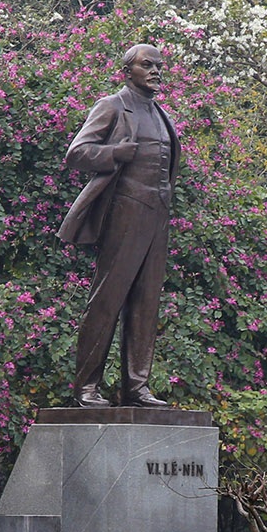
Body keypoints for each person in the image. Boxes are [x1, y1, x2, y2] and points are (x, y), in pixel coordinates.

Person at [59, 43, 181, 409]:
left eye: (159, 66)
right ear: (128, 70)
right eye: (148, 65)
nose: (156, 71)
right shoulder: (112, 106)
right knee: (107, 300)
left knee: (146, 304)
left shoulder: (161, 114)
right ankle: (86, 387)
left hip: (157, 215)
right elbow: (77, 153)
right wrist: (114, 153)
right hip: (124, 211)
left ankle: (137, 387)